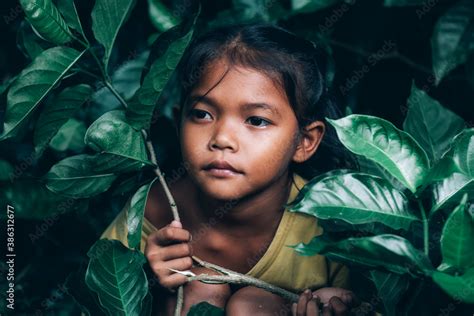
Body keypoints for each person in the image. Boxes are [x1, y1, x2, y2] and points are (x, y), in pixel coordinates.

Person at [100, 22, 360, 315]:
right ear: (178, 123)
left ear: (304, 141)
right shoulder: (150, 211)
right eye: (202, 114)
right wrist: (145, 281)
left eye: (256, 120)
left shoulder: (327, 222)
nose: (222, 138)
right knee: (199, 288)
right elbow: (97, 297)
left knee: (251, 306)